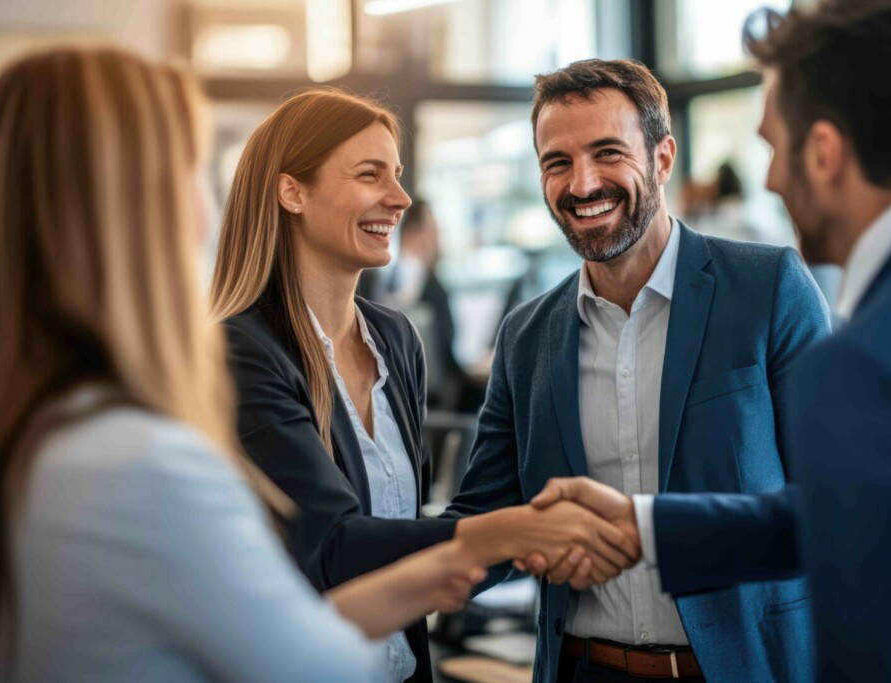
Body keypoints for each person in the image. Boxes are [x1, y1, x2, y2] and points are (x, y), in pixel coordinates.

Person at [527, 1, 891, 681]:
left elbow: (882, 644)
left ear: (822, 152)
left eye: (772, 145)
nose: (768, 180)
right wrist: (643, 526)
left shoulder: (871, 356)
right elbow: (841, 511)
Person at [0, 46, 486, 683]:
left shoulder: (57, 430)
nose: (206, 208)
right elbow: (312, 646)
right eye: (190, 172)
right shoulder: (142, 455)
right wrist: (508, 538)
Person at [210, 88, 639, 683]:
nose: (401, 198)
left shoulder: (394, 340)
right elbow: (334, 548)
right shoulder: (242, 350)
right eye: (370, 175)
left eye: (398, 175)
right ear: (292, 192)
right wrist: (514, 532)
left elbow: (402, 534)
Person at [442, 59, 831, 683]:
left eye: (607, 152)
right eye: (557, 162)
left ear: (662, 158)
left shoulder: (769, 289)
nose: (582, 183)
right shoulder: (525, 335)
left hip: (744, 668)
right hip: (583, 668)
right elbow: (482, 523)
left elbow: (834, 504)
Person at [385, 199, 485, 412]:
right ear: (415, 233)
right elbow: (442, 348)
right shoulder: (421, 280)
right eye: (434, 231)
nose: (439, 240)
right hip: (434, 399)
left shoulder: (391, 278)